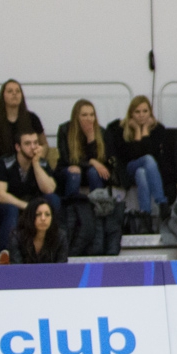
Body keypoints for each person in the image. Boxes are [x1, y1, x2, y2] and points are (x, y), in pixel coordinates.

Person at [0, 129, 59, 252]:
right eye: (27, 143)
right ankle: (6, 254)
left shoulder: (41, 163)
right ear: (18, 147)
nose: (33, 147)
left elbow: (49, 189)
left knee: (54, 200)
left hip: (33, 208)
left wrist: (36, 164)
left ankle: (51, 249)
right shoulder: (3, 163)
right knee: (11, 209)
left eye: (35, 143)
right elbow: (0, 195)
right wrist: (28, 206)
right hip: (6, 209)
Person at [56, 99, 112, 252]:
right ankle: (71, 214)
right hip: (67, 171)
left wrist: (91, 139)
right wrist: (92, 161)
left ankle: (98, 212)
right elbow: (68, 159)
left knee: (94, 173)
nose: (89, 119)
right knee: (75, 173)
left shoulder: (100, 132)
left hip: (88, 173)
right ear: (76, 116)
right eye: (84, 115)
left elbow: (103, 162)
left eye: (92, 115)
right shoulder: (64, 130)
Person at [114, 95, 174, 219]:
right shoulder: (121, 129)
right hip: (128, 168)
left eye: (145, 111)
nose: (141, 115)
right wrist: (137, 131)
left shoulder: (158, 129)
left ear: (150, 113)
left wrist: (145, 129)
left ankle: (145, 215)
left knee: (141, 172)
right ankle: (162, 202)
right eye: (137, 112)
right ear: (131, 113)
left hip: (148, 170)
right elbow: (133, 155)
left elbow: (153, 153)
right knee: (147, 159)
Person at [0, 80, 45, 164]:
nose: (14, 93)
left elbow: (44, 144)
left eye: (17, 91)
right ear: (3, 96)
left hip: (28, 166)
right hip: (1, 169)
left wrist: (37, 159)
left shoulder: (32, 118)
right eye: (10, 91)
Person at [3, 199, 68, 265]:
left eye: (47, 214)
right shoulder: (17, 236)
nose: (43, 218)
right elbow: (17, 268)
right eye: (38, 214)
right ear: (30, 217)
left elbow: (61, 268)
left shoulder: (60, 237)